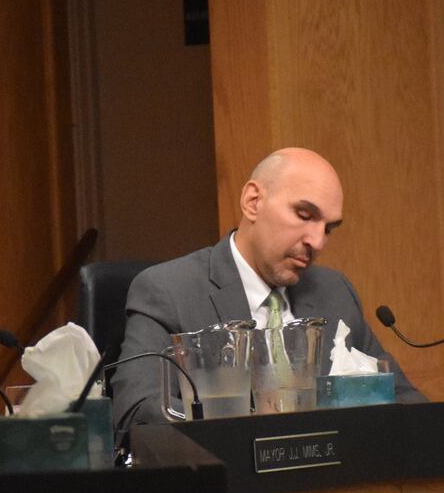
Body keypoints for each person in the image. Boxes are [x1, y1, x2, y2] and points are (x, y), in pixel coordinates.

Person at [112, 147, 426, 431]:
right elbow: (137, 412)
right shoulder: (169, 291)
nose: (317, 242)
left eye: (328, 228)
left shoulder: (335, 292)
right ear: (253, 202)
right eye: (304, 215)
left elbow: (405, 402)